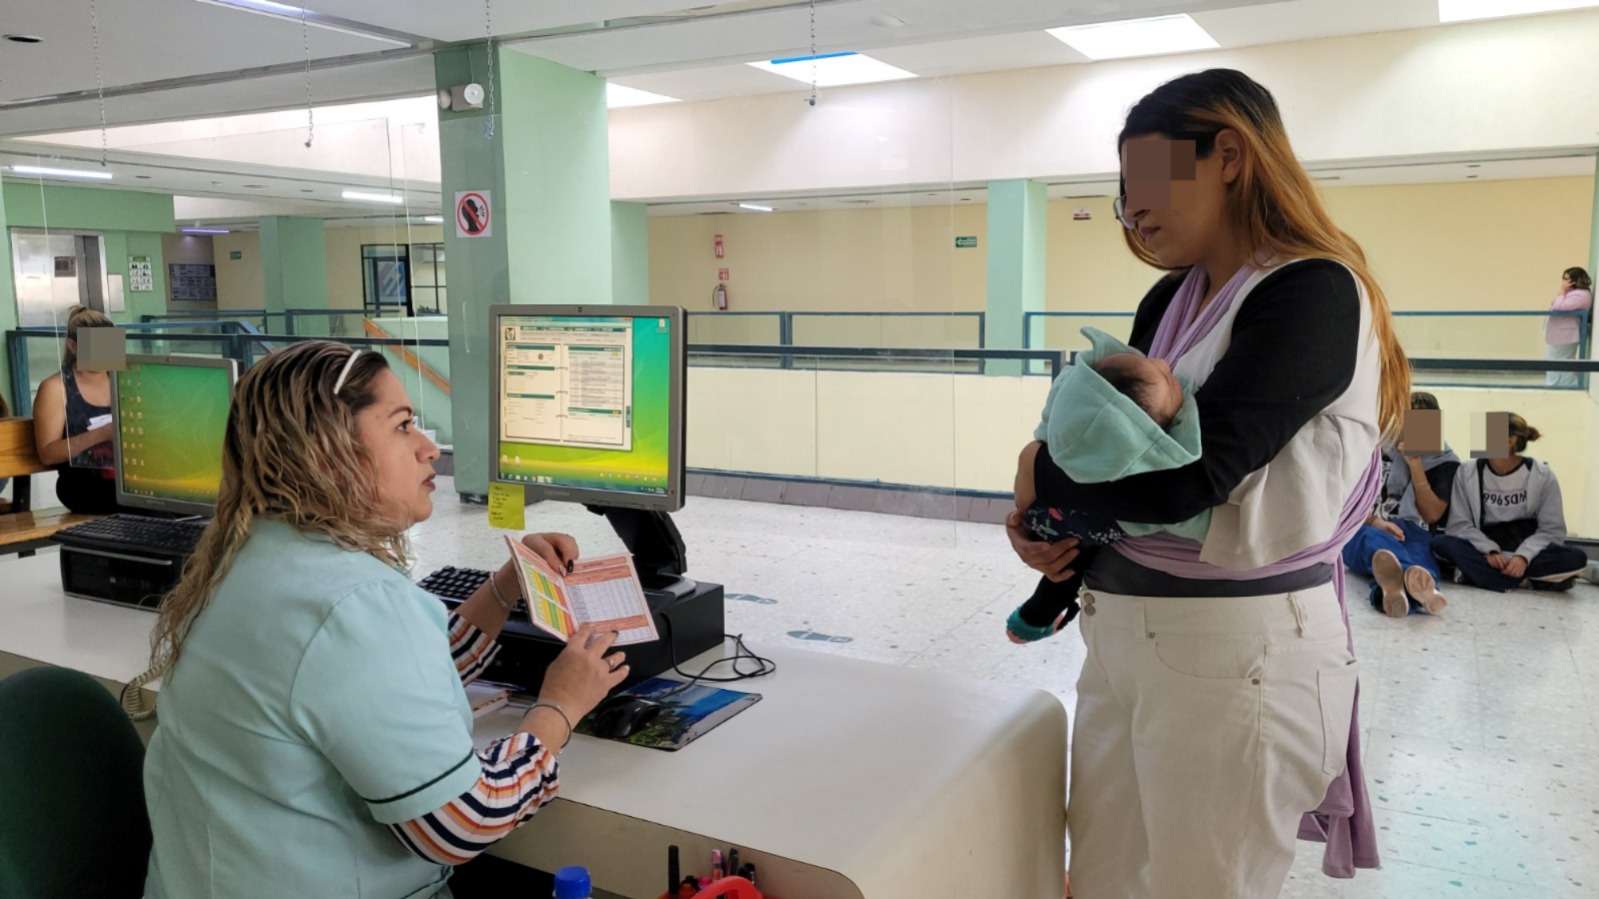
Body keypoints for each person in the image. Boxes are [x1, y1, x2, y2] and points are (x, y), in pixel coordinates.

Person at [1007, 69, 1408, 896]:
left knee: (1205, 882)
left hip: (1233, 648)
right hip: (1121, 628)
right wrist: (1055, 530)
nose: (1131, 211)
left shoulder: (1309, 288)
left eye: (1144, 182)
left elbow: (1189, 478)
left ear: (1228, 155)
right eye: (1121, 195)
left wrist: (1037, 476)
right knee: (1105, 875)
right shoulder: (1170, 299)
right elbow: (1117, 456)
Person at [134, 341, 630, 898]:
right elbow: (463, 822)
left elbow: (383, 683)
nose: (430, 449)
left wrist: (507, 584)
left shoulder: (249, 558)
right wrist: (559, 707)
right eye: (402, 426)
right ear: (328, 452)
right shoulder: (354, 602)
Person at [1007, 329, 1206, 643]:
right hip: (1085, 524)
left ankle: (1034, 619)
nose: (1164, 363)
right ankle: (1035, 618)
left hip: (1037, 508)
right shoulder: (1142, 482)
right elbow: (1186, 513)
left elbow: (1045, 432)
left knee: (1065, 560)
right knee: (1075, 559)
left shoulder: (1065, 415)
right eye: (1169, 381)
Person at [1431, 413, 1588, 592]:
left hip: (1526, 549)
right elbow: (1458, 525)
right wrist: (1489, 550)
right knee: (1440, 544)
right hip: (1483, 550)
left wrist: (1523, 557)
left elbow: (1552, 530)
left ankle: (1482, 577)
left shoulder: (1542, 476)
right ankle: (1524, 580)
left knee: (1576, 558)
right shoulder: (1467, 472)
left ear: (1510, 441)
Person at [1340, 392, 1457, 617]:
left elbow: (1432, 515)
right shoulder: (1375, 447)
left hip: (1414, 530)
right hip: (1368, 525)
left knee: (1421, 556)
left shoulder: (1444, 460)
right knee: (1371, 540)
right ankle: (1423, 590)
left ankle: (1391, 593)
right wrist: (1375, 521)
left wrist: (1415, 464)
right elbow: (1346, 502)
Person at [31, 305, 120, 513]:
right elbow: (48, 454)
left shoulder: (121, 380)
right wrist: (103, 433)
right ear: (73, 346)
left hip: (126, 477)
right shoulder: (56, 388)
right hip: (84, 484)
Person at [1544, 266, 1592, 387]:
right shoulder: (1571, 294)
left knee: (1561, 361)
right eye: (1563, 278)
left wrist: (1561, 292)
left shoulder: (1581, 295)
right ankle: (1553, 384)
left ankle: (1566, 385)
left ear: (1575, 281)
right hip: (1559, 333)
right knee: (1553, 360)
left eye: (1567, 279)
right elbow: (1555, 304)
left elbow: (1558, 307)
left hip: (1565, 334)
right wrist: (1562, 294)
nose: (1563, 282)